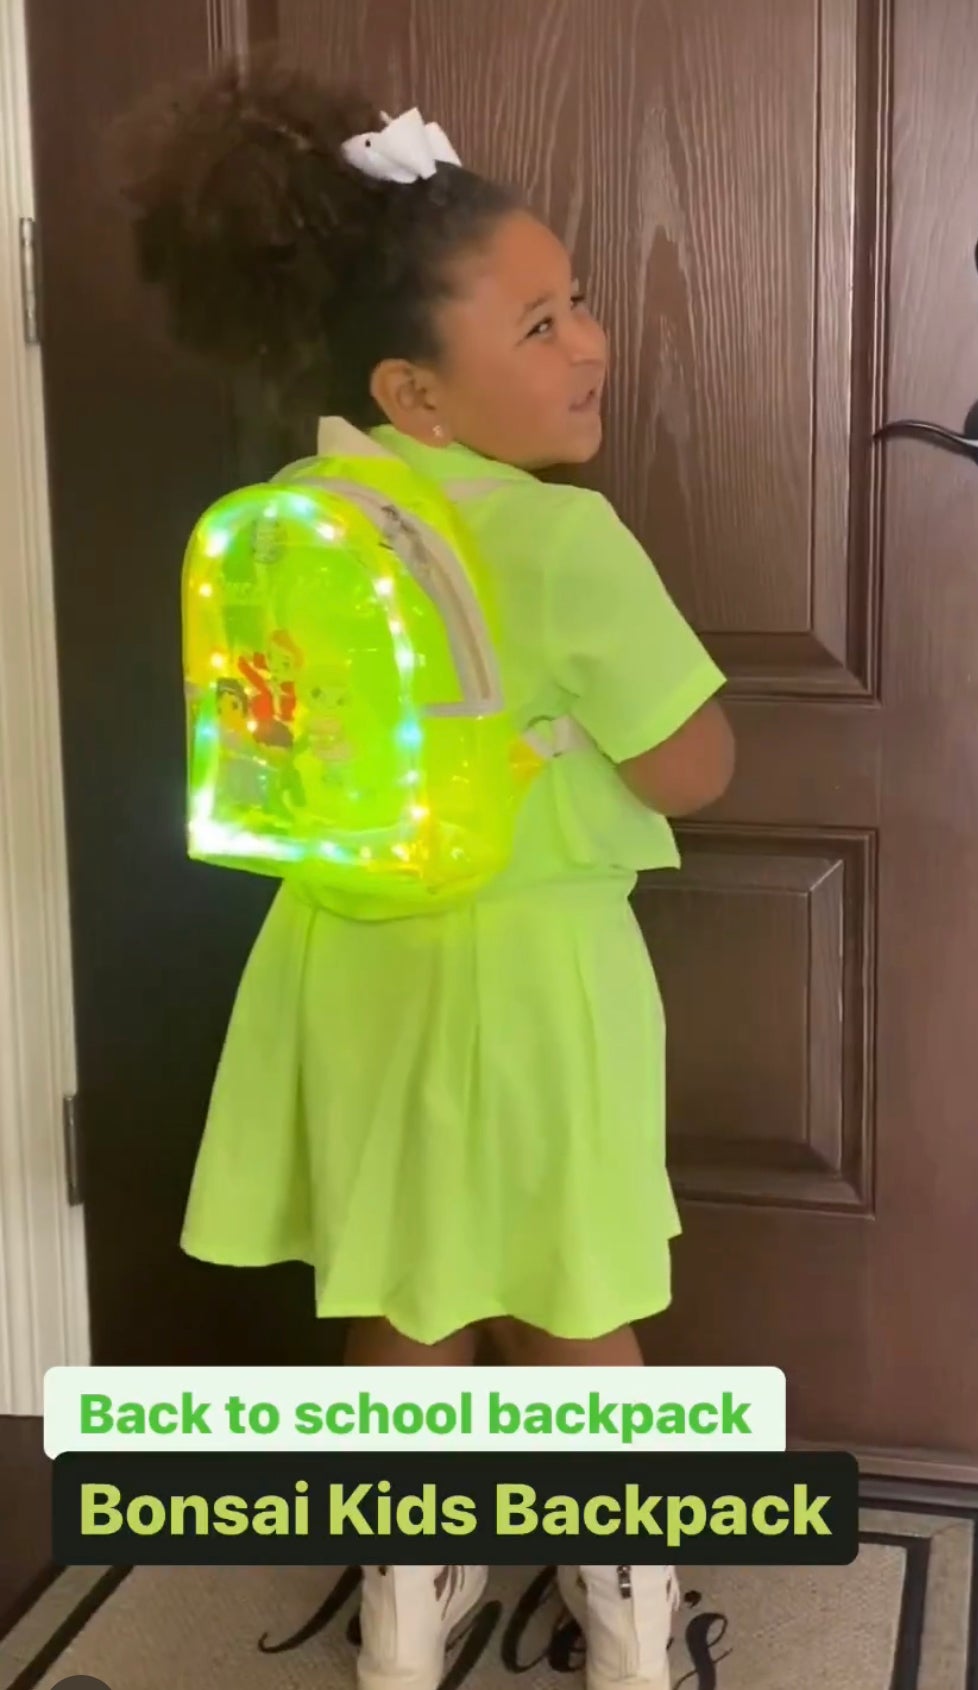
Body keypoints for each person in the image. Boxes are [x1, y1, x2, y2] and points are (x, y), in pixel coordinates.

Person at [120, 59, 735, 1690]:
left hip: (345, 955)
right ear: (420, 393)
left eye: (579, 300)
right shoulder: (560, 538)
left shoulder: (290, 511)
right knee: (574, 1297)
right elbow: (694, 761)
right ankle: (629, 1622)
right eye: (539, 323)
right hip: (531, 979)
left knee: (397, 1295)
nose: (589, 337)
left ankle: (404, 1615)